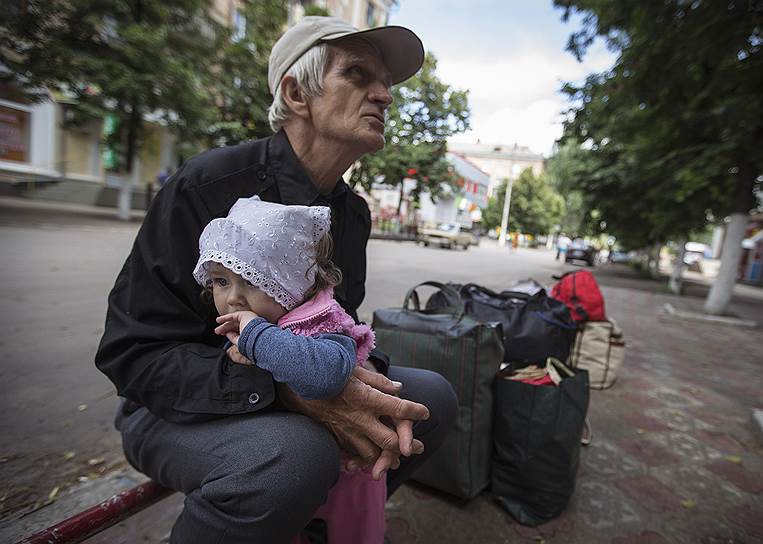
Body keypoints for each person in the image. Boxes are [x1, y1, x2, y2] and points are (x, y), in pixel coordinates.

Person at [95, 15, 458, 544]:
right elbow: (133, 355)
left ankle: (314, 525)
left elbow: (336, 322)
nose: (384, 94)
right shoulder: (208, 184)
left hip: (294, 383)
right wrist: (285, 388)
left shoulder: (350, 214)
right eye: (359, 74)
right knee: (293, 459)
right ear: (296, 92)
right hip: (171, 408)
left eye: (386, 83)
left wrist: (357, 378)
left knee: (430, 400)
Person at [197, 195, 386, 543]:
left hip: (350, 471)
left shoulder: (319, 320)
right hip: (303, 465)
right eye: (222, 281)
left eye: (252, 280)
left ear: (292, 281)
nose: (233, 298)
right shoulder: (266, 318)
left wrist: (255, 338)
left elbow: (327, 374)